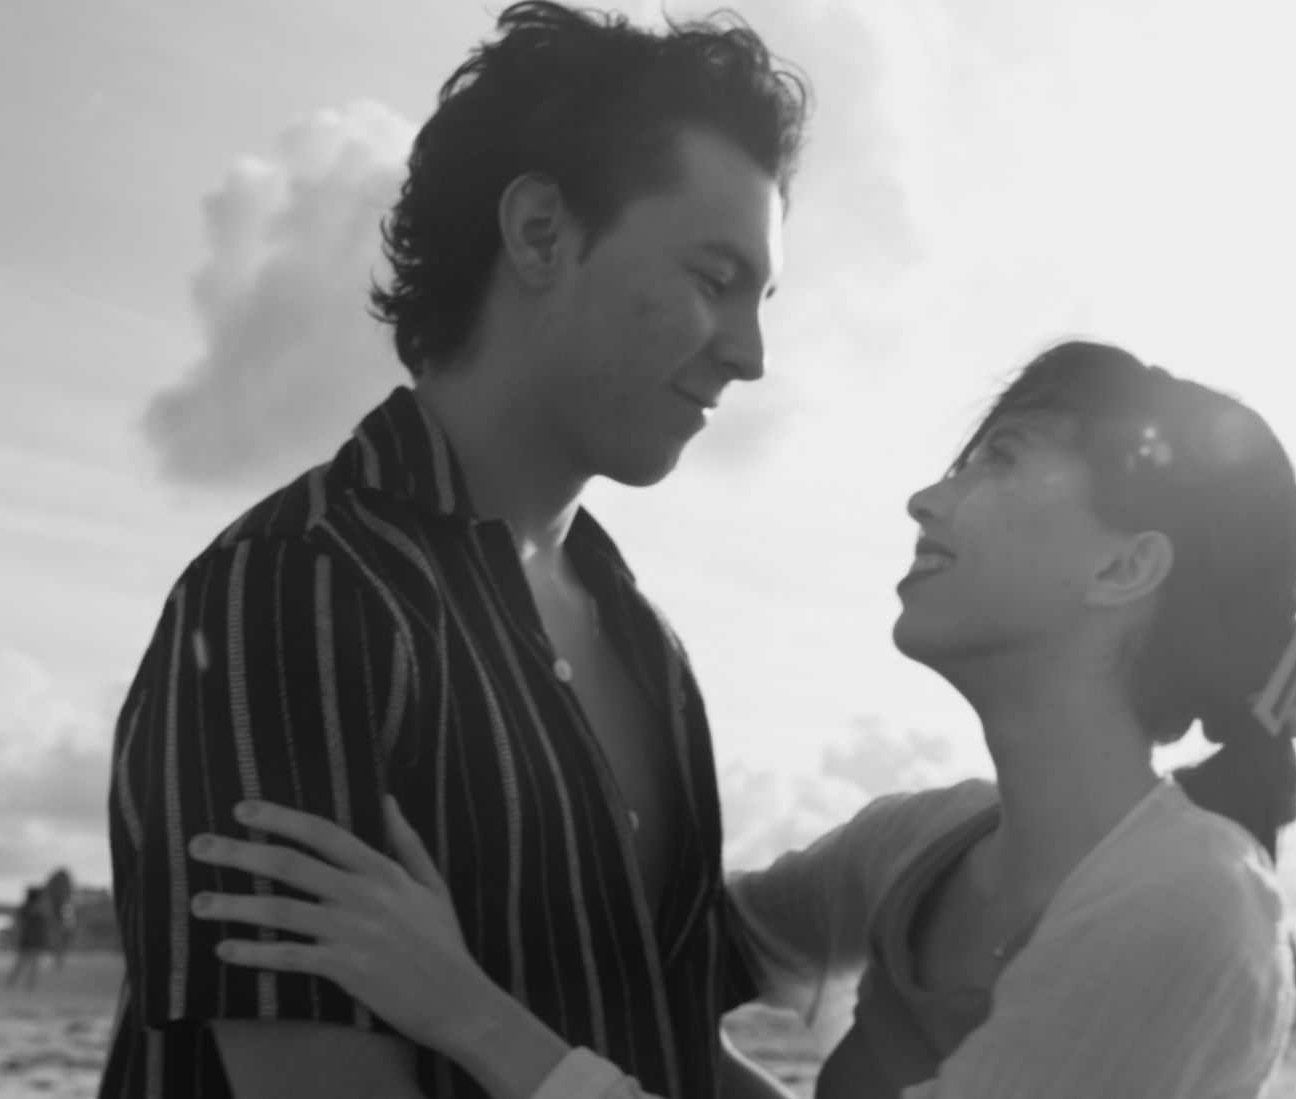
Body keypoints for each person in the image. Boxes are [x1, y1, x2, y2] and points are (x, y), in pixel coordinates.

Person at [186, 342, 1296, 1098]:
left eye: (1000, 458)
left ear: (1124, 565)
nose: (926, 495)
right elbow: (645, 969)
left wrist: (467, 1011)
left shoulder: (1190, 908)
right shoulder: (920, 846)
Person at [96, 3, 808, 1097]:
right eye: (714, 279)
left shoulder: (647, 647)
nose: (751, 354)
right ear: (538, 235)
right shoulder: (296, 590)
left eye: (762, 298)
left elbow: (676, 1055)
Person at [8, 885, 50, 990]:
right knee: (29, 964)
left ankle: (21, 984)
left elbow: (19, 925)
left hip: (29, 940)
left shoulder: (28, 909)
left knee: (26, 963)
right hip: (31, 940)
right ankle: (26, 984)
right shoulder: (36, 911)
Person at [44, 867, 77, 970]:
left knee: (57, 940)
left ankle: (59, 961)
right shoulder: (63, 889)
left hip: (59, 917)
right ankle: (59, 961)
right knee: (57, 940)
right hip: (60, 917)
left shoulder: (56, 888)